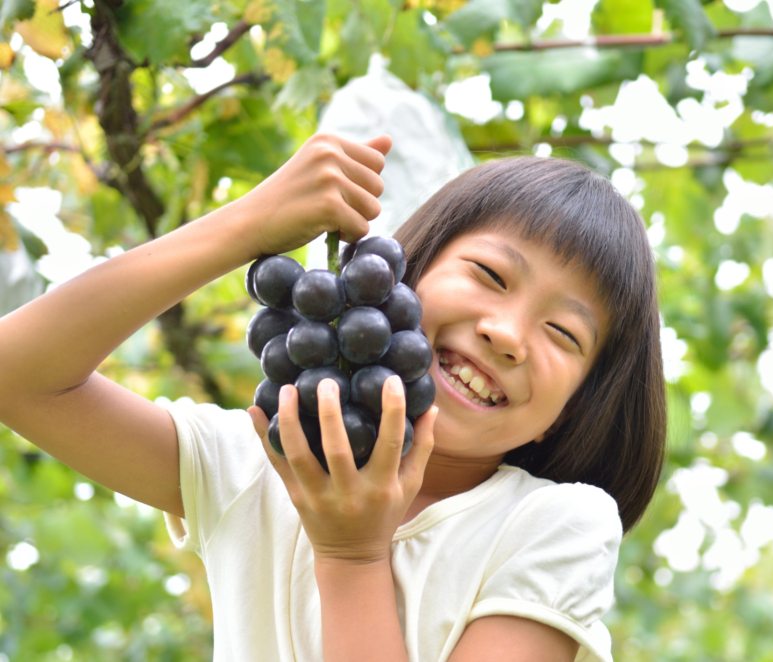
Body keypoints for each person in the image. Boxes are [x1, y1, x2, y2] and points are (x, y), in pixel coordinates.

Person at [0, 133, 666, 662]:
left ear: (575, 408)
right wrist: (248, 225)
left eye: (562, 333)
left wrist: (352, 556)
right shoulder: (257, 463)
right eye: (490, 275)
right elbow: (18, 376)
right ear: (394, 280)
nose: (507, 333)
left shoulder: (556, 527)